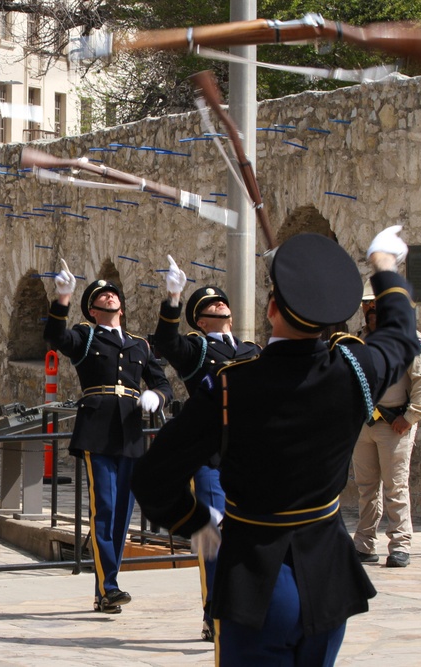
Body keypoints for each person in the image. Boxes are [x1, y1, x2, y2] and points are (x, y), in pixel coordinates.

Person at [132, 228, 421, 666]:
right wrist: (384, 265)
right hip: (327, 578)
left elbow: (153, 479)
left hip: (256, 578)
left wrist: (197, 523)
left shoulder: (229, 387)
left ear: (271, 310)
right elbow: (400, 335)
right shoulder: (356, 371)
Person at [43, 260, 172, 614]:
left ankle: (105, 588)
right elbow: (56, 338)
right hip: (97, 431)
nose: (110, 296)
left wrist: (156, 397)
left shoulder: (139, 345)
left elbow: (163, 383)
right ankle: (108, 585)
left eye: (114, 292)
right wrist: (62, 300)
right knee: (106, 508)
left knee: (122, 514)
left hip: (129, 430)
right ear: (93, 308)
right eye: (102, 294)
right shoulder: (85, 337)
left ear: (122, 305)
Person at [151, 256, 262, 641]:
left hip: (251, 456)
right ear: (199, 321)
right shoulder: (197, 350)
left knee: (251, 535)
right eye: (209, 305)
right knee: (214, 535)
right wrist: (174, 297)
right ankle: (214, 612)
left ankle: (247, 607)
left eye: (221, 302)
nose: (219, 305)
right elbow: (164, 342)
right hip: (211, 455)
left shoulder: (252, 351)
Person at [353, 280, 421, 568]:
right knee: (366, 488)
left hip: (394, 425)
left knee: (395, 487)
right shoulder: (358, 338)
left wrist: (411, 416)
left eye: (377, 303)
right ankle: (363, 543)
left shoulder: (408, 338)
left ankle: (400, 544)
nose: (372, 308)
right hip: (365, 424)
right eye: (368, 304)